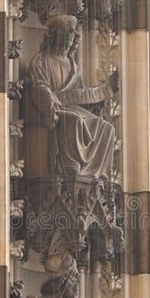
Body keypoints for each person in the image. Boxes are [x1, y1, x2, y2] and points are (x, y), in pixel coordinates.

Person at [26, 15, 117, 177]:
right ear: (55, 35)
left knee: (107, 128)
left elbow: (79, 93)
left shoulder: (72, 65)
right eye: (65, 31)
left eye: (72, 32)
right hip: (52, 108)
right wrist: (49, 100)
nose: (69, 35)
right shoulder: (41, 60)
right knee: (74, 121)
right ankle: (70, 164)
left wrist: (98, 97)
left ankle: (97, 170)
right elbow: (38, 86)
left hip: (72, 107)